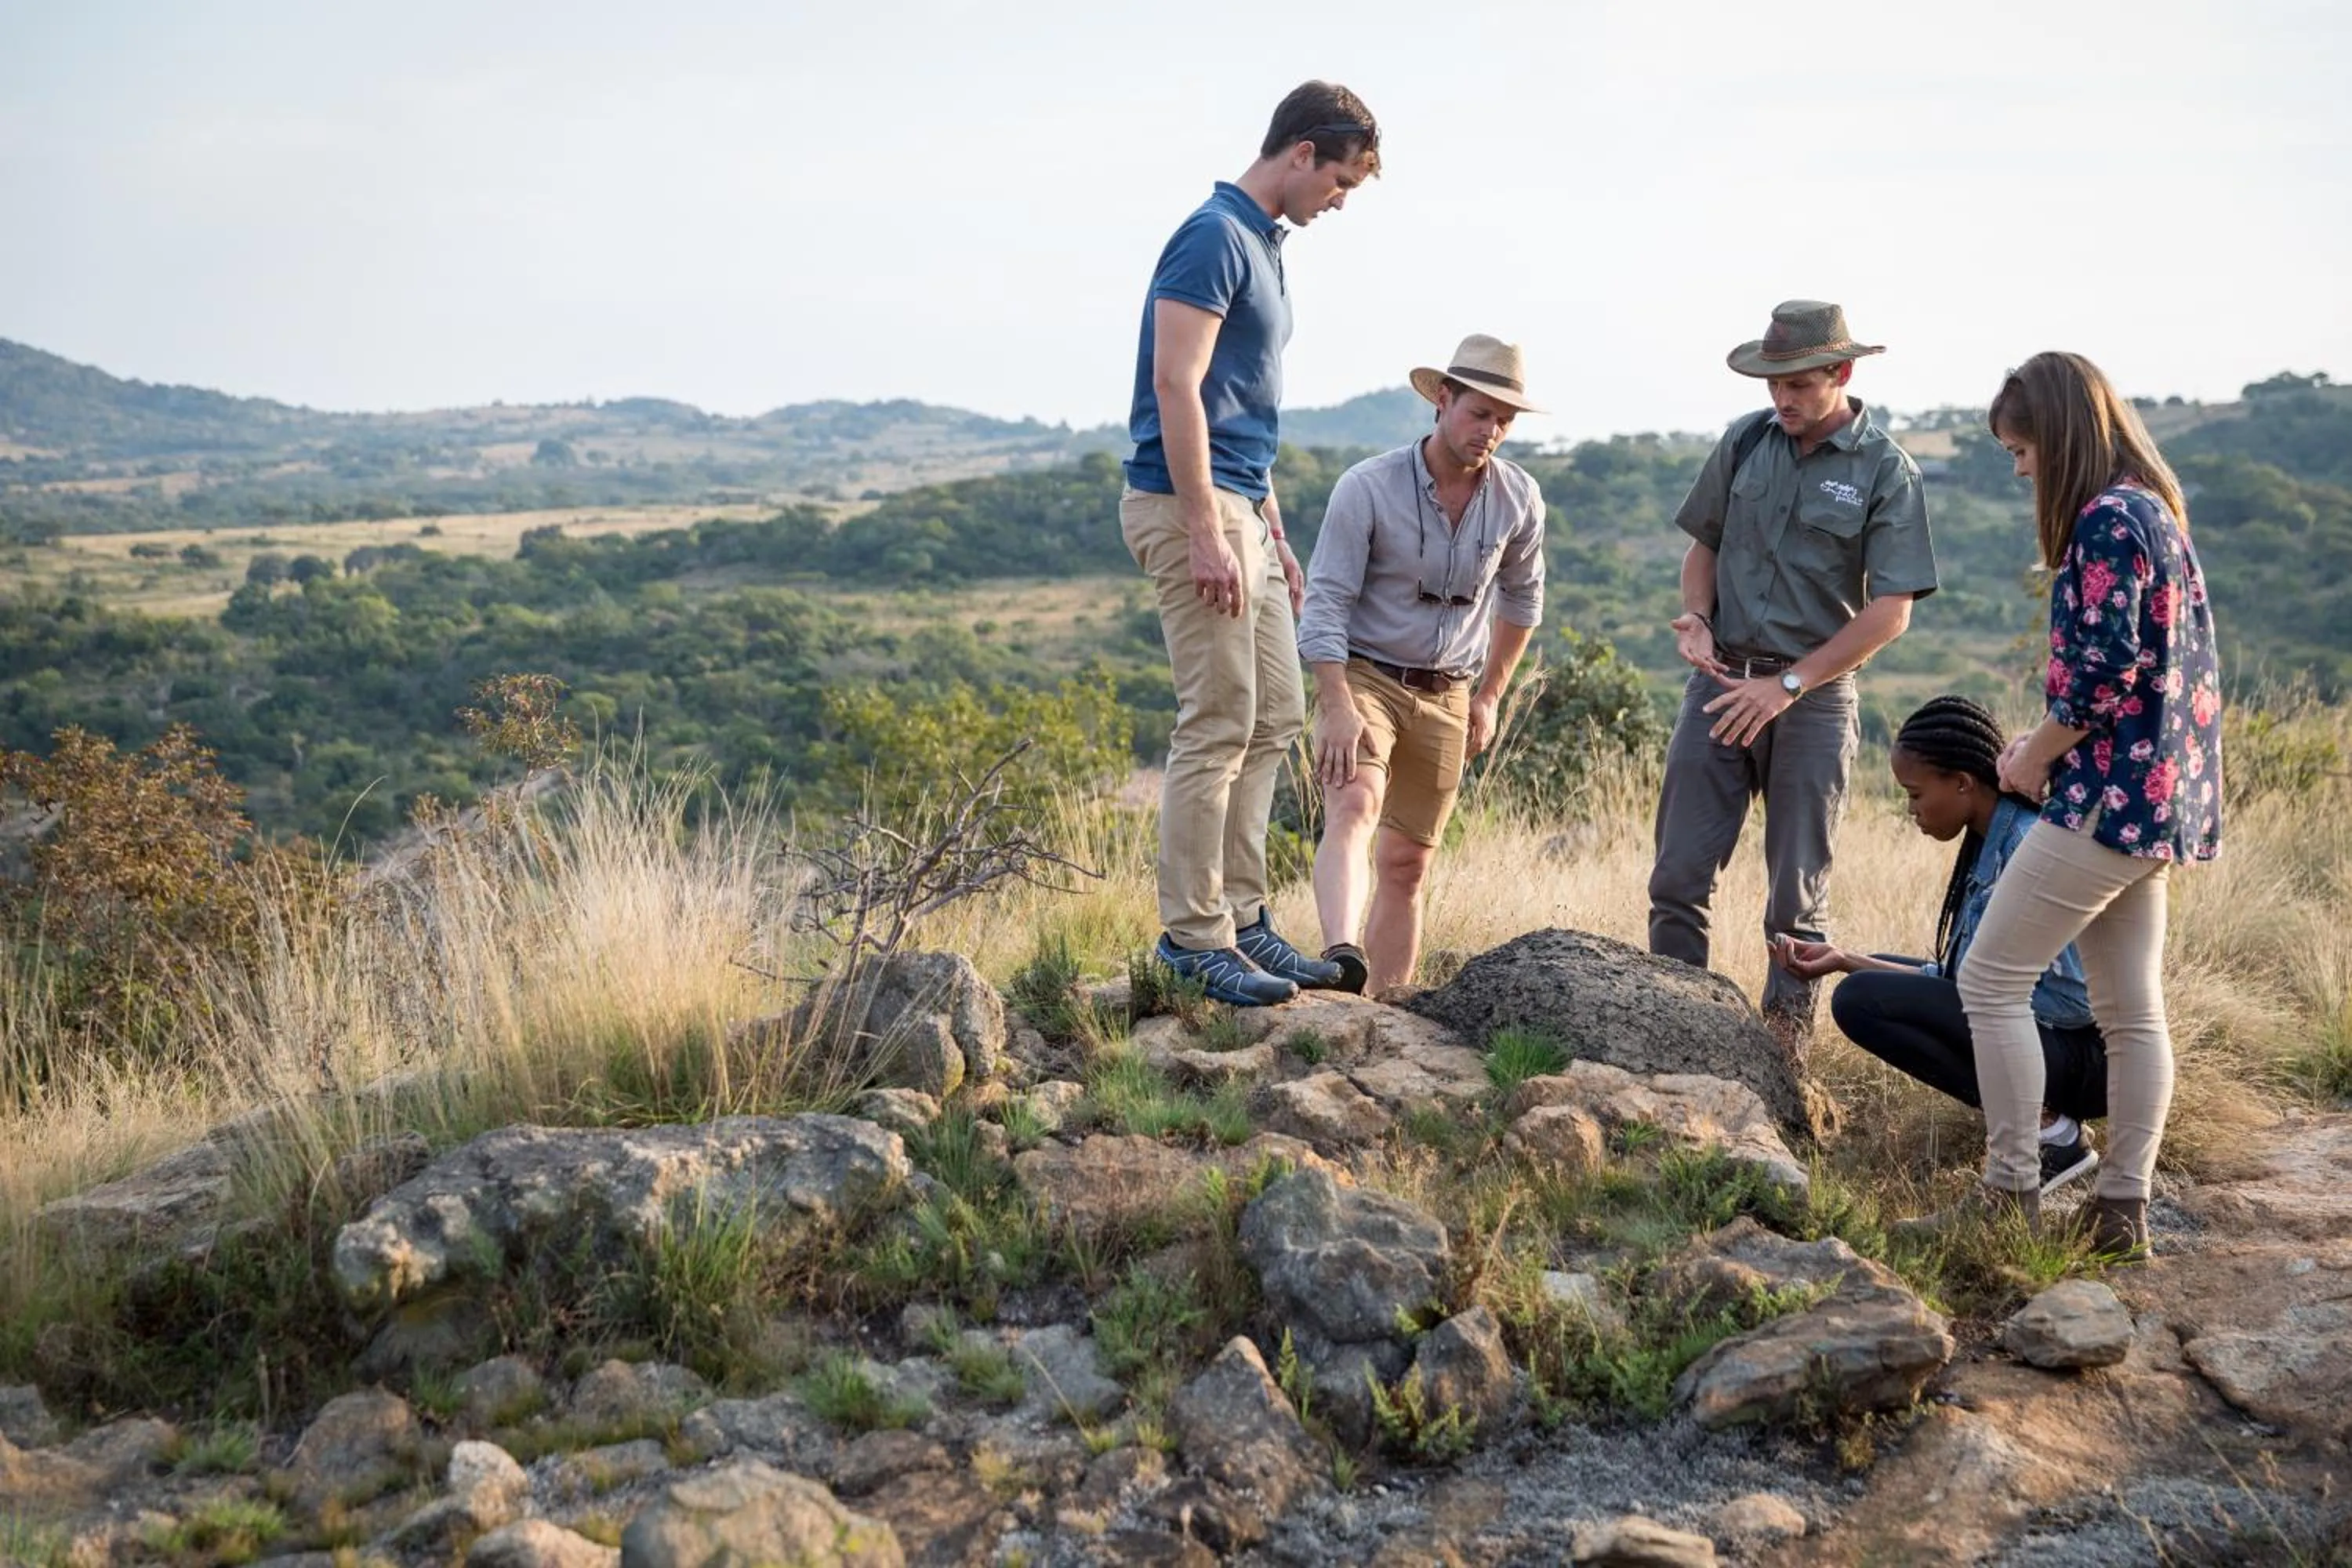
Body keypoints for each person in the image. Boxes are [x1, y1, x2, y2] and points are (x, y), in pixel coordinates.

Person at [1944, 351, 2223, 1258]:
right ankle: (2121, 1208)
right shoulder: (2154, 506)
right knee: (2131, 1009)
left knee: (1989, 979)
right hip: (2157, 801)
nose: (2019, 468)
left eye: (2022, 451)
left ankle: (2010, 1188)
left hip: (2105, 800)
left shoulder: (2105, 519)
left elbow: (2102, 678)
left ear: (2058, 437)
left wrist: (2031, 750)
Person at [1120, 82, 1381, 1006]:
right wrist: (1204, 526)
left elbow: (1241, 402)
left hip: (1243, 504)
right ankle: (1194, 939)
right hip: (1189, 505)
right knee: (1220, 719)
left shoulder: (1265, 245)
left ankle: (1244, 918)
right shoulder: (1213, 235)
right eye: (1342, 180)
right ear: (1303, 152)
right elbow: (1176, 382)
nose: (1340, 200)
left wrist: (1269, 521)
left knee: (1274, 714)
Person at [1647, 299, 1940, 1060]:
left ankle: (1784, 1058)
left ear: (1841, 374)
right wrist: (1697, 617)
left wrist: (1788, 685)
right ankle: (1676, 1036)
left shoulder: (1886, 468)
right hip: (1719, 683)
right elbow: (1702, 549)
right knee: (1678, 874)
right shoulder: (1746, 442)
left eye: (1801, 384)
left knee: (1795, 900)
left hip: (1811, 700)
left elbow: (1892, 610)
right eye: (1773, 383)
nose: (1782, 399)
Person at [1770, 695, 2107, 1197]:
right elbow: (1957, 980)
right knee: (1865, 987)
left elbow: (2078, 996)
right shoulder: (1991, 837)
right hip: (2051, 1043)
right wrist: (1843, 959)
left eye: (1915, 794)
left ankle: (2051, 1131)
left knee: (1862, 1002)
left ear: (1963, 784)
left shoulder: (2025, 849)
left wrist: (1991, 997)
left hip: (2084, 1058)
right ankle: (2045, 1127)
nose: (1912, 811)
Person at [1297, 336, 1548, 994]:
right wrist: (1334, 704)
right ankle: (1338, 956)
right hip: (1364, 675)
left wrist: (1491, 696)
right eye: (1479, 412)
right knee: (1354, 802)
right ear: (1443, 400)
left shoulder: (1520, 498)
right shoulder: (1367, 487)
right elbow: (1324, 602)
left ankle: (1386, 1005)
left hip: (1451, 692)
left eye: (1504, 419)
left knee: (1408, 861)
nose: (1490, 430)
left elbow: (1523, 600)